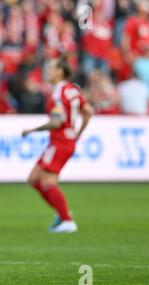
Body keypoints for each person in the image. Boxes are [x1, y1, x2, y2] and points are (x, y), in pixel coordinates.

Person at [22, 56, 94, 233]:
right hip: (65, 140)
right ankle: (62, 213)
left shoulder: (58, 93)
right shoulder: (73, 89)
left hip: (60, 141)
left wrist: (32, 130)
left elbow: (56, 122)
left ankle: (67, 220)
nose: (47, 71)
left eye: (51, 68)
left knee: (47, 182)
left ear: (61, 71)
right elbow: (89, 111)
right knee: (33, 179)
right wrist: (77, 132)